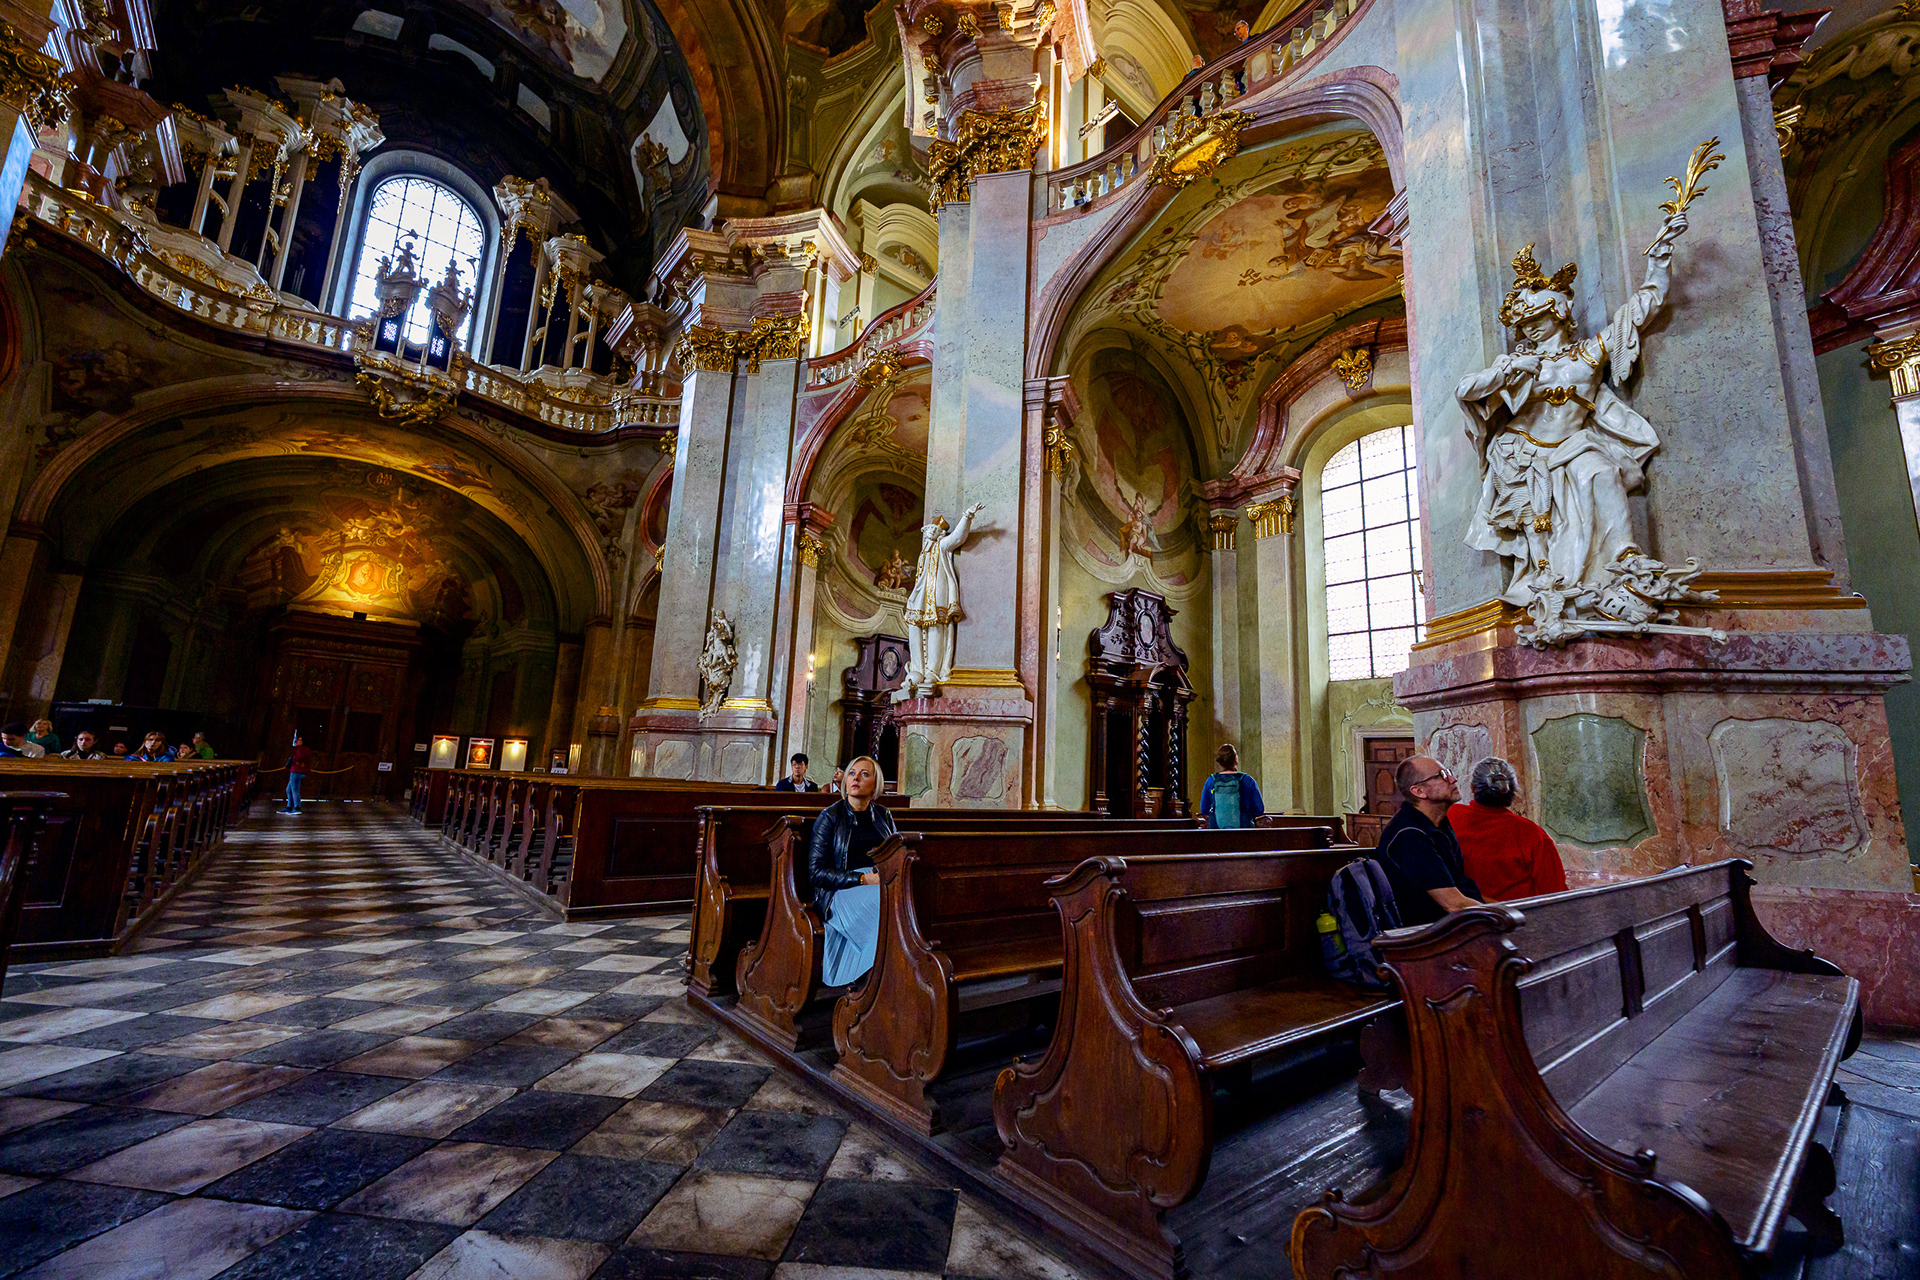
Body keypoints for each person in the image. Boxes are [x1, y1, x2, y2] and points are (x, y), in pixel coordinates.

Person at [808, 755, 897, 988]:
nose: (856, 778)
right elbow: (816, 872)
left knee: (904, 901)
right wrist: (862, 878)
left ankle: (895, 977)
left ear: (875, 784)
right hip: (840, 891)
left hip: (880, 883)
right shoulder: (830, 817)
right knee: (886, 905)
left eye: (864, 774)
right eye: (851, 773)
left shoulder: (883, 815)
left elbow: (894, 854)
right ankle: (873, 983)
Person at [1373, 755, 1483, 927]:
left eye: (1449, 772)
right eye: (1442, 775)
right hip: (1425, 938)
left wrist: (1510, 907)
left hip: (1452, 927)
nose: (1453, 779)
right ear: (1418, 791)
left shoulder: (1440, 825)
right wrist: (1503, 916)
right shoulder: (1408, 836)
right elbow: (1453, 904)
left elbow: (1462, 887)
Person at [1449, 757, 1568, 901]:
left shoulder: (1450, 817)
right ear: (1514, 791)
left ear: (1472, 788)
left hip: (1461, 918)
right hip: (1517, 918)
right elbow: (1556, 893)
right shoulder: (1531, 833)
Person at [1199, 743, 1265, 828]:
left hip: (1216, 833)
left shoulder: (1211, 780)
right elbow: (1259, 809)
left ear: (1220, 761)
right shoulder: (1247, 780)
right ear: (1236, 759)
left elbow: (1204, 809)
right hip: (1243, 832)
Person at [283, 734, 313, 813]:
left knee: (295, 789)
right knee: (289, 790)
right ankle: (289, 806)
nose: (297, 742)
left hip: (296, 771)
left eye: (299, 740)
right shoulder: (307, 750)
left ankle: (297, 807)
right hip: (299, 771)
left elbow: (299, 757)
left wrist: (296, 761)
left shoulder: (300, 749)